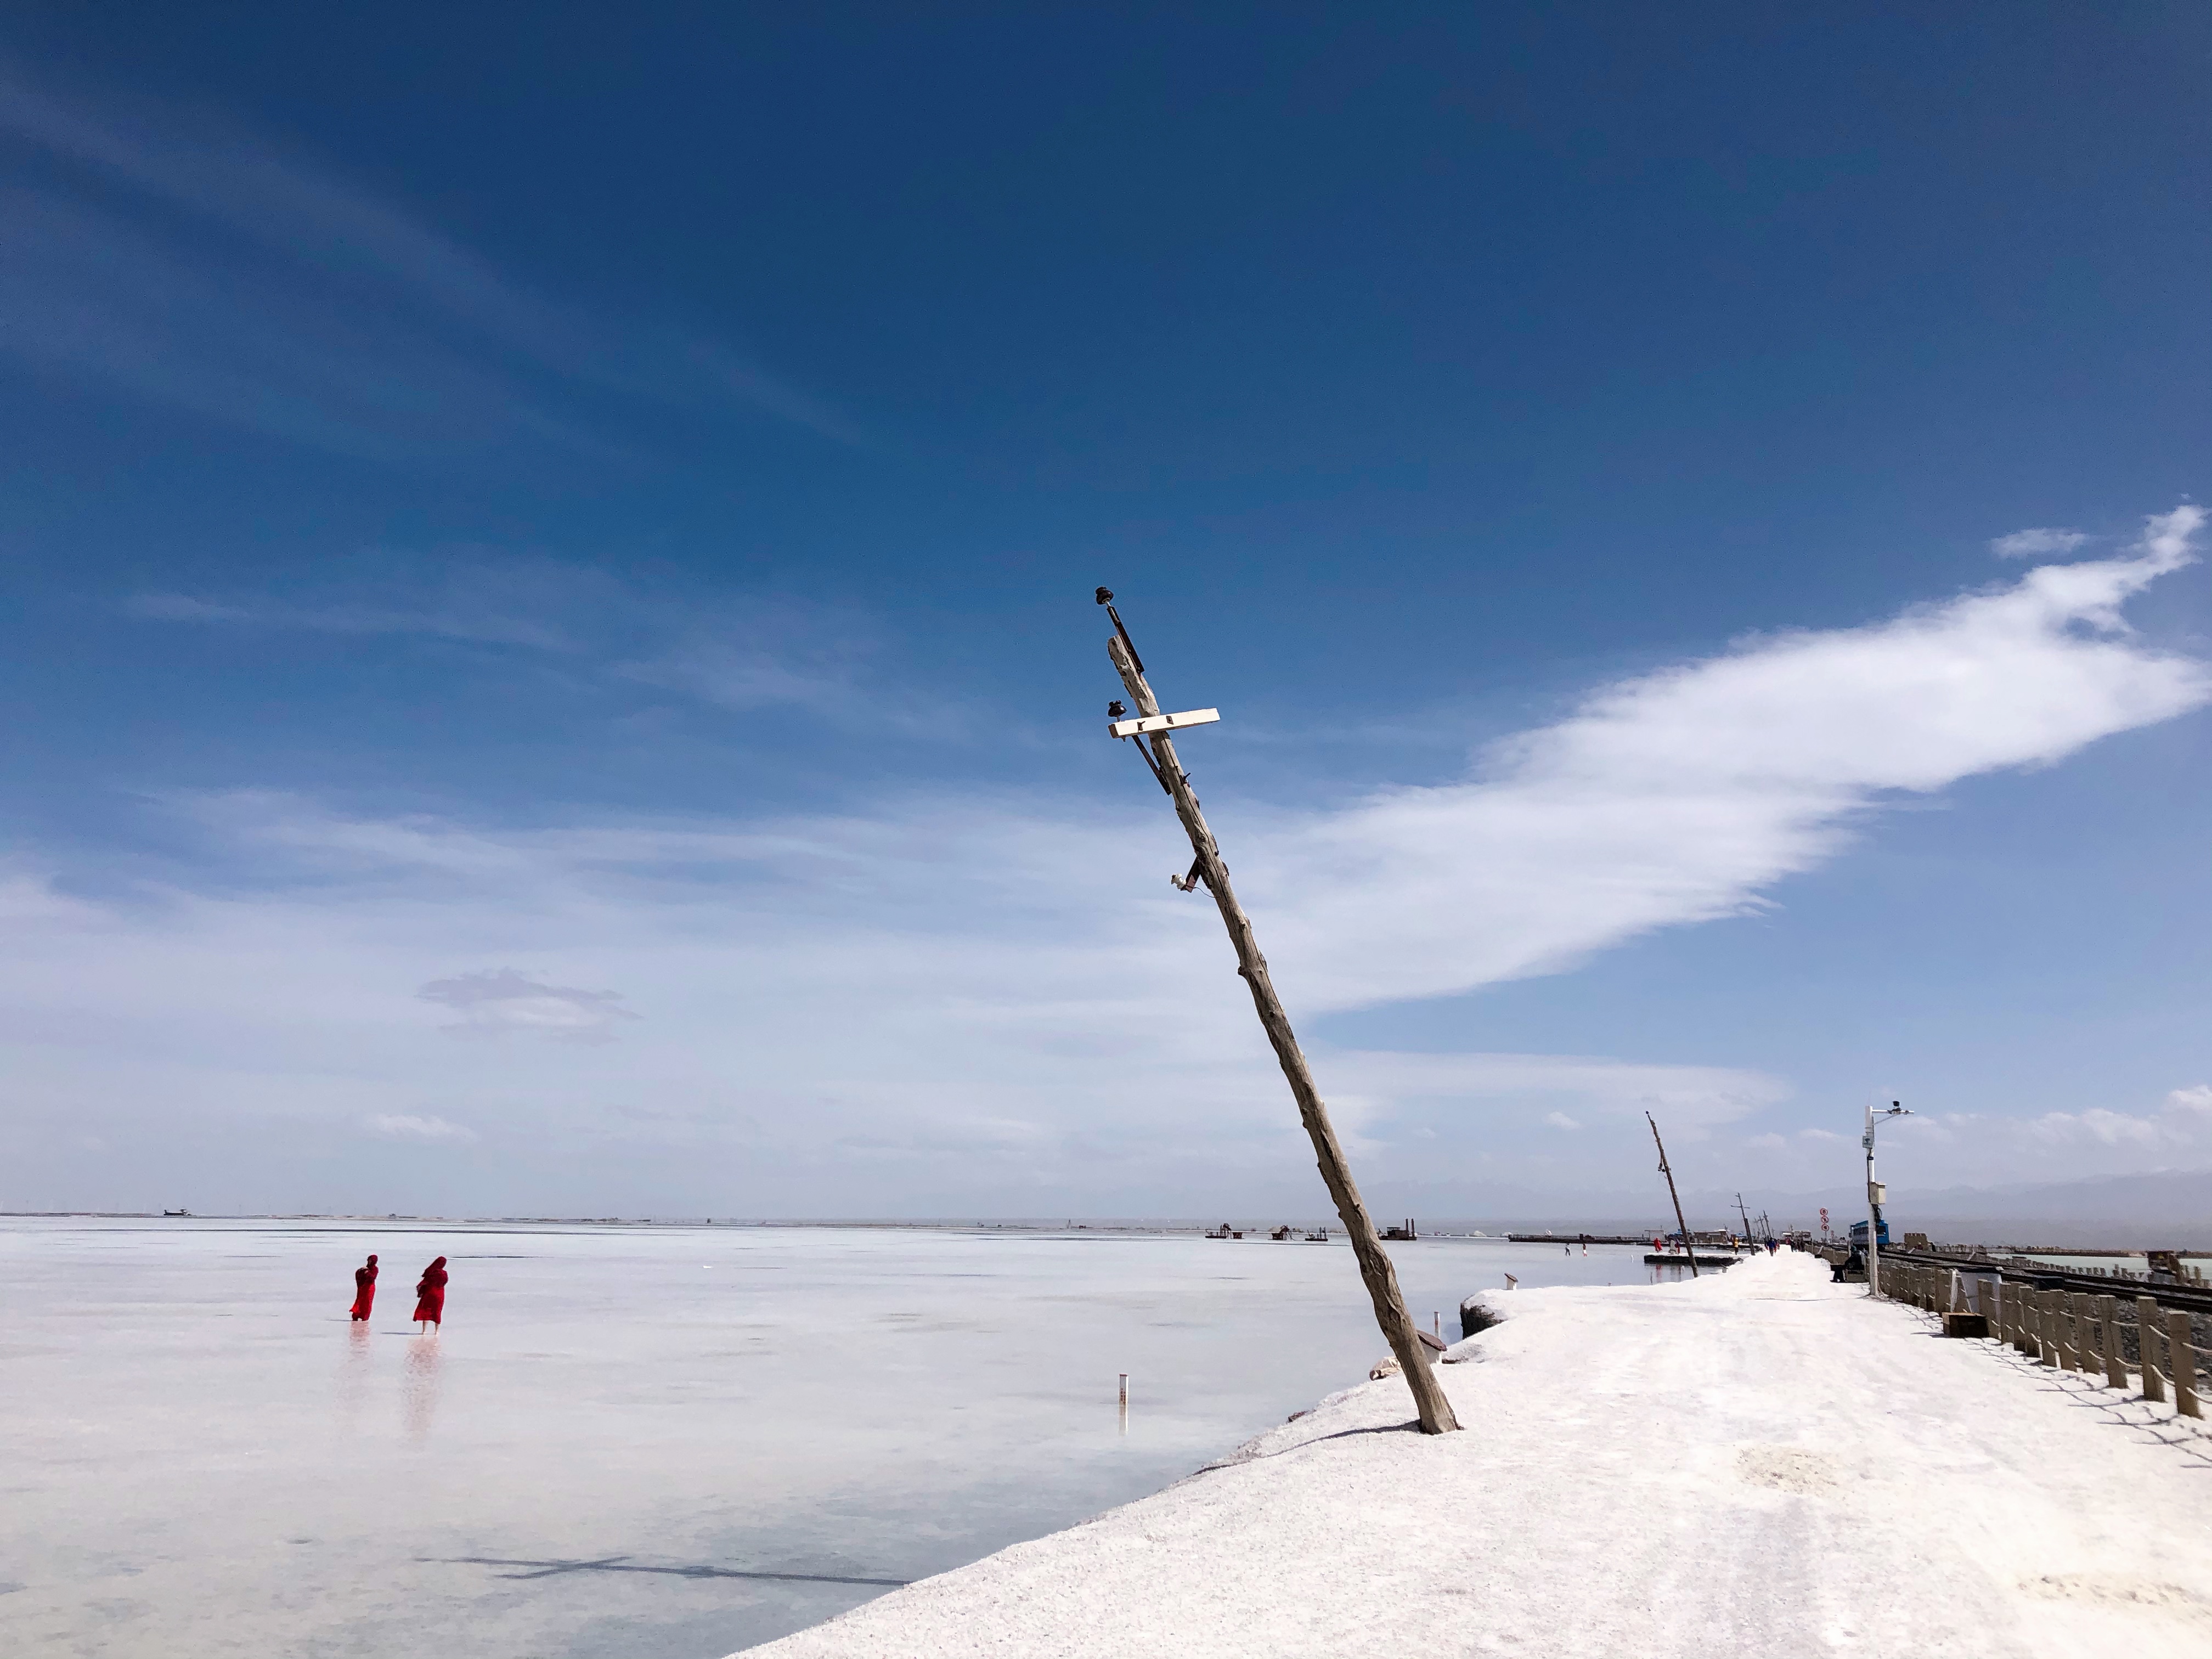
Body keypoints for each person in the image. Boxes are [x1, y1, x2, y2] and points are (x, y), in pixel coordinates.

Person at [412, 1256, 448, 1331]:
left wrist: (421, 1292)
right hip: (440, 1295)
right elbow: (445, 1282)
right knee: (437, 1311)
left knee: (426, 1310)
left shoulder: (430, 1273)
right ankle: (437, 1332)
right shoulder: (444, 1274)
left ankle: (424, 1331)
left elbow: (422, 1284)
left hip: (429, 1293)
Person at [348, 1253, 379, 1322]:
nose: (370, 1261)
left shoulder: (375, 1269)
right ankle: (356, 1314)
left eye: (372, 1260)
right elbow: (358, 1276)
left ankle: (364, 1316)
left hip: (370, 1288)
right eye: (370, 1260)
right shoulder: (364, 1269)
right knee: (360, 1300)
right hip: (363, 1287)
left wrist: (367, 1272)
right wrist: (362, 1271)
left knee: (367, 1302)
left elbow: (372, 1278)